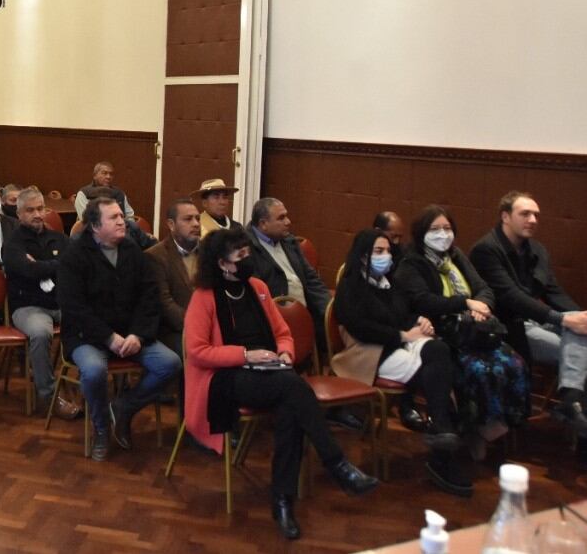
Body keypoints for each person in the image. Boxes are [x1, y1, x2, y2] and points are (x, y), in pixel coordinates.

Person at [183, 227, 378, 540]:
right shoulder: (204, 297)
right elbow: (197, 351)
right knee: (292, 388)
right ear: (223, 264)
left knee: (291, 405)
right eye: (241, 256)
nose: (248, 260)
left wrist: (284, 354)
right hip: (226, 377)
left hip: (270, 371)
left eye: (248, 253)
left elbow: (282, 334)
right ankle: (338, 465)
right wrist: (246, 354)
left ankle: (283, 500)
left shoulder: (257, 288)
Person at [333, 229, 471, 496]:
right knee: (435, 375)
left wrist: (419, 321)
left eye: (387, 251)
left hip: (396, 344)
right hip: (370, 353)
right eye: (379, 251)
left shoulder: (389, 282)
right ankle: (444, 444)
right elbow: (360, 327)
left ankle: (441, 434)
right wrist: (403, 334)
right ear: (363, 257)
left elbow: (402, 313)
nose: (386, 256)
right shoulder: (351, 286)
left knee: (439, 350)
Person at [394, 205, 529, 459]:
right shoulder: (411, 263)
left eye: (447, 229)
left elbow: (484, 288)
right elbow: (424, 301)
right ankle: (473, 430)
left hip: (474, 327)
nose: (442, 234)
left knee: (513, 363)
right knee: (477, 369)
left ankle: (500, 424)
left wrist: (482, 306)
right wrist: (465, 303)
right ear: (421, 232)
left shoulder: (455, 257)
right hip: (442, 332)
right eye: (435, 229)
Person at [57, 197, 182, 462]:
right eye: (113, 217)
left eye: (120, 215)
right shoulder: (74, 256)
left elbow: (149, 298)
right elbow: (74, 307)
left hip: (130, 334)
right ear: (94, 225)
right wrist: (108, 337)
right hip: (88, 337)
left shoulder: (132, 251)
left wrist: (137, 334)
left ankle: (123, 407)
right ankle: (102, 428)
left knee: (170, 363)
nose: (121, 220)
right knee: (92, 371)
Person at [470, 191, 587, 435]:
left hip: (539, 319)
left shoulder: (537, 250)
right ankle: (573, 405)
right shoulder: (486, 250)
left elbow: (554, 291)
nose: (533, 219)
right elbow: (512, 297)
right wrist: (564, 319)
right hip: (508, 327)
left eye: (536, 215)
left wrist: (580, 316)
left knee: (582, 330)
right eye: (525, 214)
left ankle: (571, 401)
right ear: (505, 216)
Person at [1, 189, 81, 419]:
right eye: (30, 210)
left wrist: (43, 266)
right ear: (19, 214)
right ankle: (48, 395)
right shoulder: (13, 243)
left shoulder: (59, 238)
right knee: (40, 333)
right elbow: (27, 270)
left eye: (40, 209)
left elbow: (73, 268)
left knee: (88, 323)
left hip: (60, 302)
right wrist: (56, 265)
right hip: (28, 306)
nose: (37, 214)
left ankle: (86, 385)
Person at [244, 198, 332, 357]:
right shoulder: (245, 247)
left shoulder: (289, 241)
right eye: (281, 218)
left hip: (305, 312)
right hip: (273, 320)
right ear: (263, 224)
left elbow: (311, 279)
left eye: (286, 216)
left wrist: (329, 310)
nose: (288, 222)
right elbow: (255, 294)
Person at [144, 198, 202, 347]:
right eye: (188, 219)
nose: (196, 224)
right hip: (173, 331)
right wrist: (197, 326)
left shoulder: (209, 252)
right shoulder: (155, 256)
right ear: (171, 224)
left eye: (197, 218)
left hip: (208, 327)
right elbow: (165, 304)